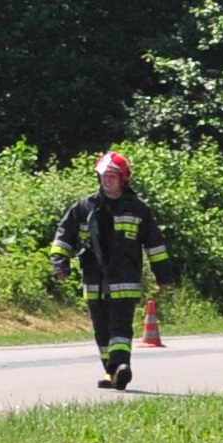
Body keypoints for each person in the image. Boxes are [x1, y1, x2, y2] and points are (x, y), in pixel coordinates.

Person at [50, 148, 167, 391]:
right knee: (101, 330)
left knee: (120, 328)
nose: (107, 180)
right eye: (104, 175)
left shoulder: (138, 209)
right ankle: (111, 372)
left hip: (125, 282)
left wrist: (163, 275)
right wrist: (60, 265)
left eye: (113, 176)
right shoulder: (84, 208)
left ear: (124, 179)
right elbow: (63, 237)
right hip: (94, 282)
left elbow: (155, 245)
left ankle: (121, 365)